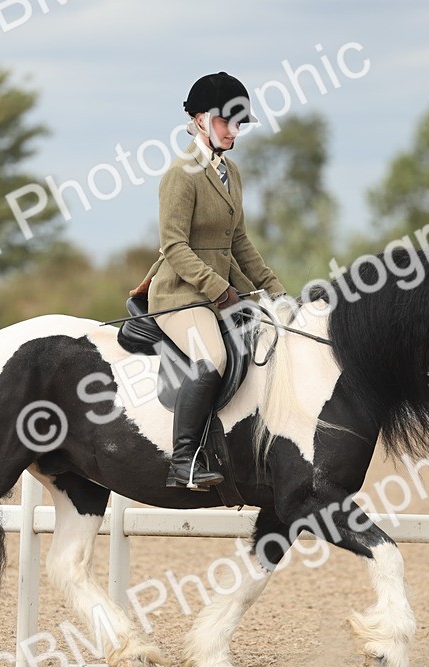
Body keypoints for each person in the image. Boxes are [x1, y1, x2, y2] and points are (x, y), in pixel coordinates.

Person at [129, 71, 287, 490]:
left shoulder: (230, 173)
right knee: (212, 357)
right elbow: (175, 247)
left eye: (239, 123)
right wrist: (221, 291)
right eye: (225, 122)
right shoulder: (181, 175)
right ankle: (183, 460)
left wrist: (275, 291)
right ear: (199, 120)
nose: (234, 131)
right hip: (180, 295)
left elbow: (238, 242)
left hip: (221, 292)